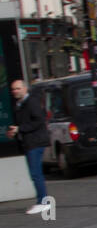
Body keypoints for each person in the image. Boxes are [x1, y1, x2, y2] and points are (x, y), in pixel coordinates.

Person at [6, 79, 52, 215]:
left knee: (36, 173)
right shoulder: (19, 104)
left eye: (18, 88)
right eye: (13, 89)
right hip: (29, 142)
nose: (15, 91)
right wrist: (14, 131)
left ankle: (44, 202)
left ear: (25, 89)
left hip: (35, 142)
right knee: (35, 173)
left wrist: (20, 129)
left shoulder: (31, 102)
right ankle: (42, 201)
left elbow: (39, 120)